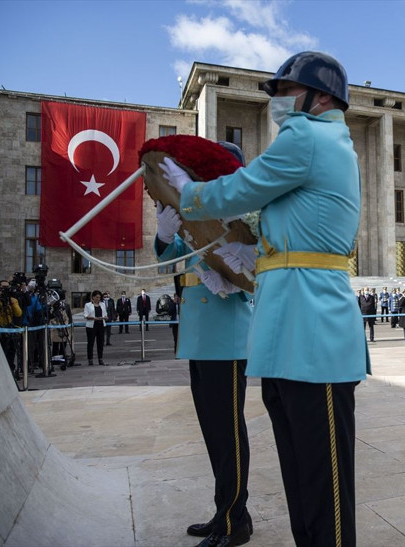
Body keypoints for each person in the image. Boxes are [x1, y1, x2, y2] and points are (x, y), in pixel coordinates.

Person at [161, 51, 369, 546]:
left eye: (286, 90)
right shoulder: (318, 143)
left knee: (321, 478)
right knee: (301, 470)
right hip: (290, 326)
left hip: (311, 326)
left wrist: (189, 192)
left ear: (322, 98)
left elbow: (243, 188)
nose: (278, 100)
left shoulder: (309, 137)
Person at [153, 143, 254, 547]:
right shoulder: (199, 219)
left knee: (228, 433)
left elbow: (253, 274)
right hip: (199, 337)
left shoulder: (240, 219)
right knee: (214, 432)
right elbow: (169, 257)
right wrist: (164, 235)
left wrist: (228, 279)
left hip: (226, 338)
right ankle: (225, 511)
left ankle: (234, 521)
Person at [0, 280, 23, 375]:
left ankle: (11, 370)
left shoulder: (12, 300)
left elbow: (18, 313)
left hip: (9, 330)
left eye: (7, 287)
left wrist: (12, 303)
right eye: (3, 288)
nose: (5, 290)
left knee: (10, 352)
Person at [22, 279, 47, 372]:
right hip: (25, 323)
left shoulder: (35, 296)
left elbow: (38, 309)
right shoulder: (24, 295)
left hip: (33, 323)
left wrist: (46, 305)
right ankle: (26, 365)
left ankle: (34, 363)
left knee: (34, 346)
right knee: (27, 346)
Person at [83, 290, 108, 366]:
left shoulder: (102, 304)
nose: (98, 299)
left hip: (101, 325)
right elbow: (86, 315)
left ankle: (100, 358)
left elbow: (105, 314)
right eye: (97, 297)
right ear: (93, 297)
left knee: (100, 343)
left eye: (99, 297)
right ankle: (90, 359)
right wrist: (94, 318)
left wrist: (105, 317)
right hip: (92, 325)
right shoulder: (88, 305)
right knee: (90, 343)